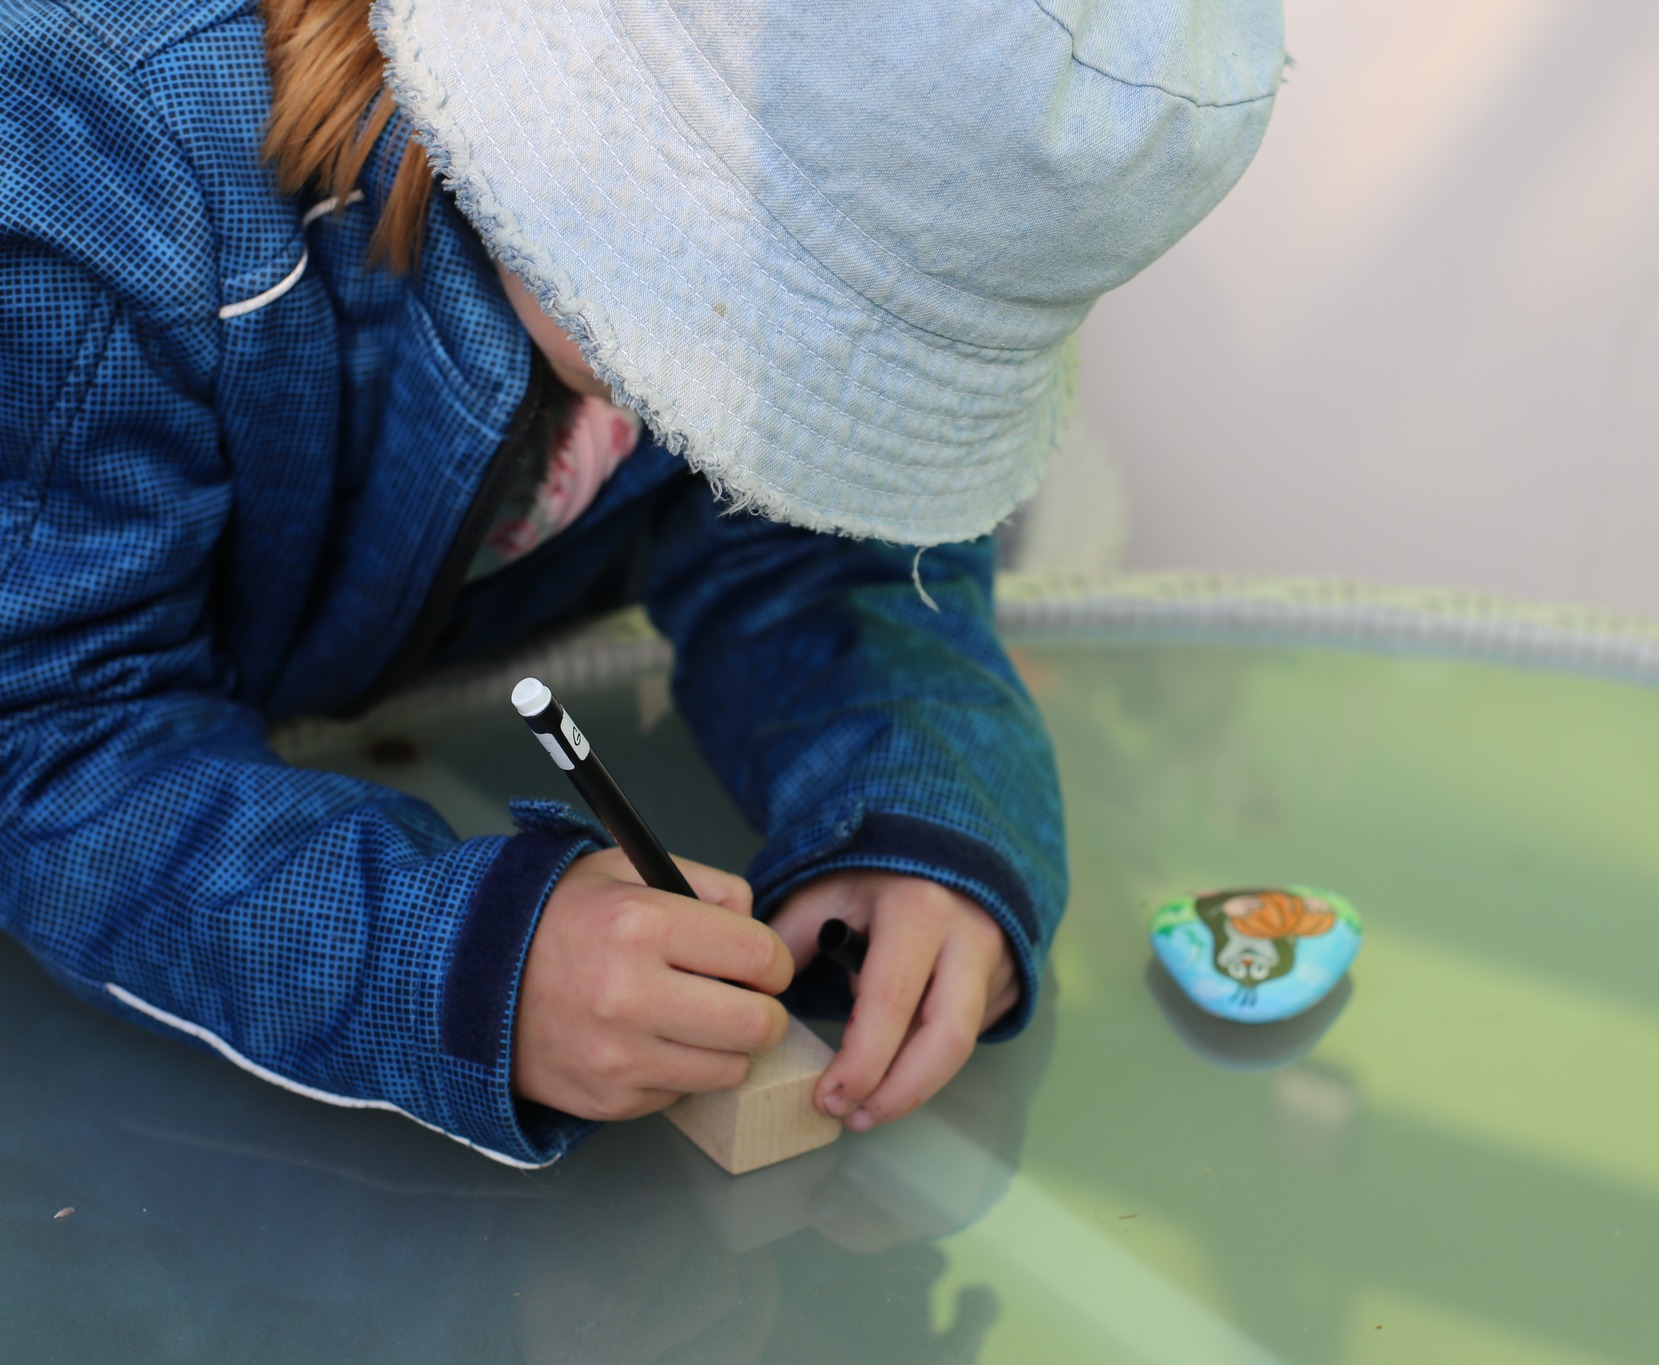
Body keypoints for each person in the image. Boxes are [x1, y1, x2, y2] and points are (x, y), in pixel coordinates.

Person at [0, 0, 1283, 1167]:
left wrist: (922, 810)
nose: (791, 412)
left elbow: (818, 549)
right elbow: (46, 730)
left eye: (856, 365)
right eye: (787, 323)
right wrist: (457, 965)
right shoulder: (102, 130)